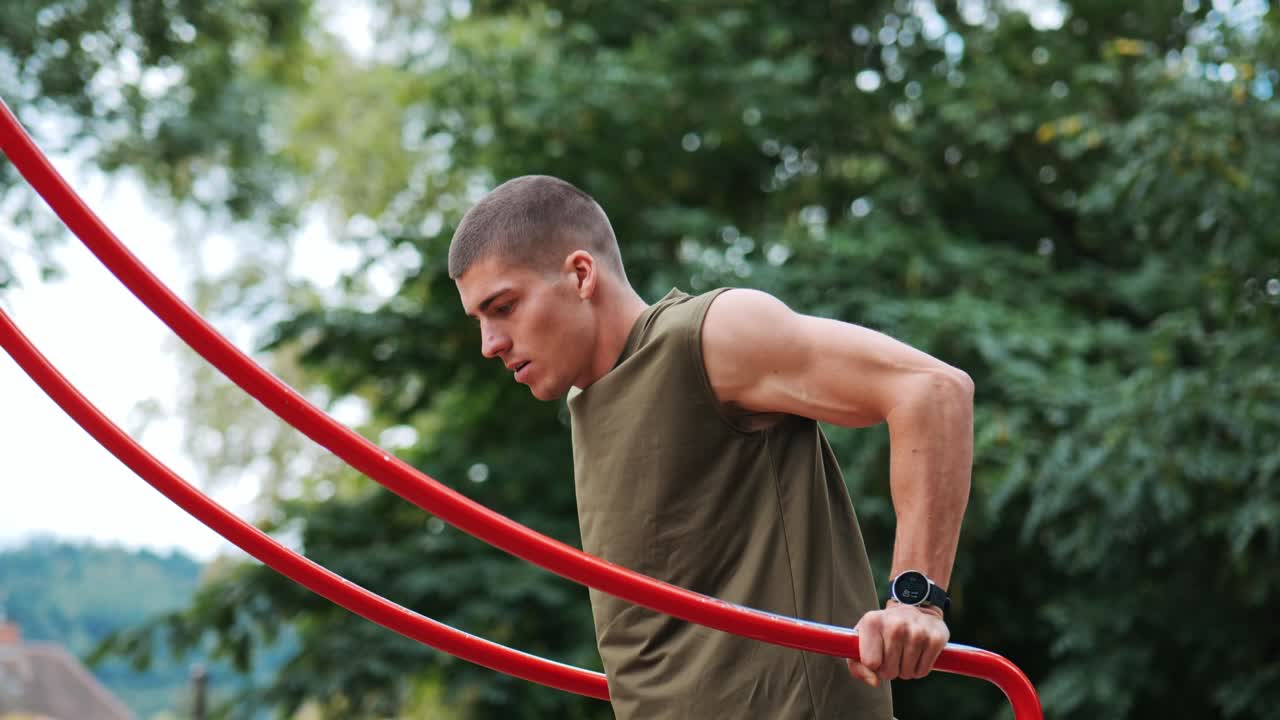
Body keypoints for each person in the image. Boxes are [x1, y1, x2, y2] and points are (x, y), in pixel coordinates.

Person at [450, 175, 972, 719]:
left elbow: (931, 390)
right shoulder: (591, 402)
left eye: (504, 307)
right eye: (480, 320)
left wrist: (916, 602)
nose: (490, 344)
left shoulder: (704, 337)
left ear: (581, 275)